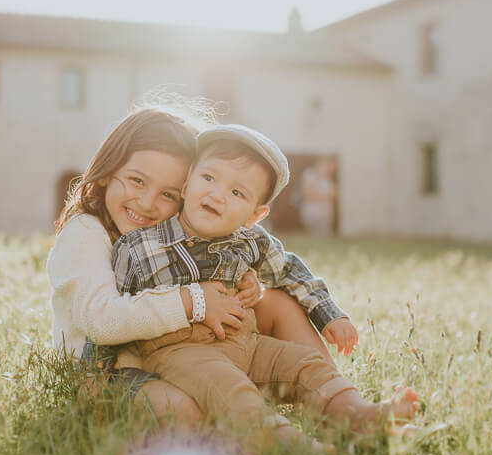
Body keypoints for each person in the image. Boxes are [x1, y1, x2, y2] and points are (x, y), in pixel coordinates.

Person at [112, 124, 418, 449]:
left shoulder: (252, 241)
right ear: (186, 184)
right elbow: (119, 310)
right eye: (209, 178)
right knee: (230, 389)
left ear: (254, 215)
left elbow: (290, 271)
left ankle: (359, 415)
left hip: (248, 343)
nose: (217, 194)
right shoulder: (140, 246)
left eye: (237, 193)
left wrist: (330, 315)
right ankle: (294, 449)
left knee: (305, 365)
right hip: (179, 353)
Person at [47, 103, 337, 428]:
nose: (147, 203)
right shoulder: (85, 232)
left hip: (198, 353)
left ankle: (336, 401)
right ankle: (256, 435)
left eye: (168, 194)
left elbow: (207, 262)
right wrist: (193, 301)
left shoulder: (169, 231)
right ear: (106, 173)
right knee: (183, 411)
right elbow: (101, 321)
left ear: (185, 193)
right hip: (109, 375)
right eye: (136, 181)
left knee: (278, 302)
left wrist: (245, 280)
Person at [299, 156, 338, 237]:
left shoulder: (329, 179)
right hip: (313, 214)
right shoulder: (310, 174)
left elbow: (334, 195)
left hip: (326, 215)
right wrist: (326, 196)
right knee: (315, 238)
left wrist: (319, 195)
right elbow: (308, 194)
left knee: (325, 239)